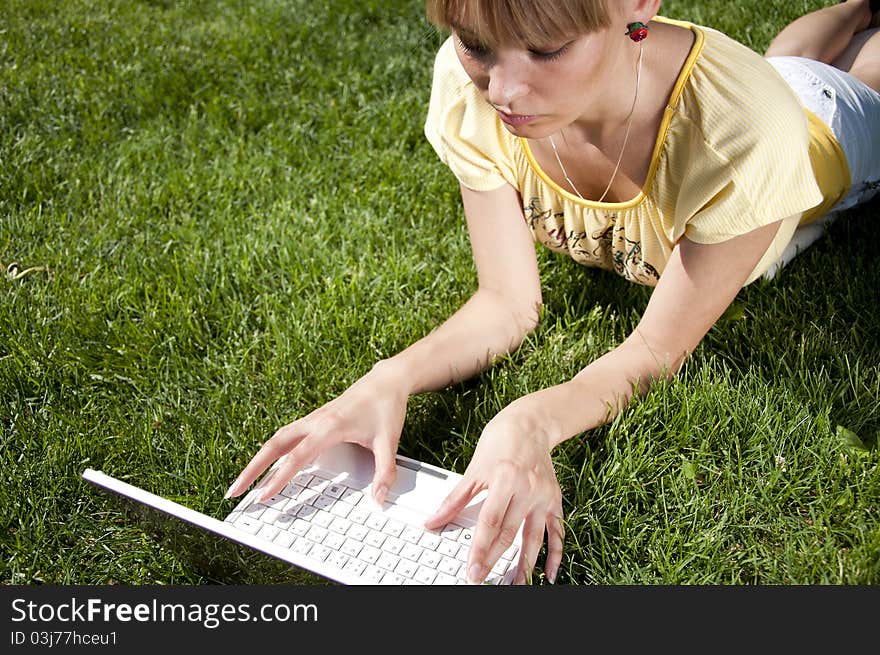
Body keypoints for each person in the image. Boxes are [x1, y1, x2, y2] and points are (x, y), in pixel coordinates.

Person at [225, 0, 880, 585]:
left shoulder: (748, 137)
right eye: (477, 45)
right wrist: (387, 379)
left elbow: (654, 349)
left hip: (832, 133)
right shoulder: (471, 87)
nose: (503, 90)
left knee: (841, 82)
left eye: (547, 49)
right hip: (764, 86)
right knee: (791, 58)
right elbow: (506, 302)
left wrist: (531, 419)